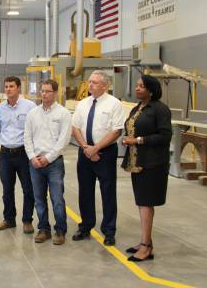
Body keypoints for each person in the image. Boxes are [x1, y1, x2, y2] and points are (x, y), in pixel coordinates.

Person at [72, 70, 126, 246]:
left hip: (105, 153)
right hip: (85, 152)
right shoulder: (83, 104)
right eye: (89, 82)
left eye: (94, 82)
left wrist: (96, 148)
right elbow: (76, 128)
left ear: (105, 85)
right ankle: (86, 226)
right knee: (85, 192)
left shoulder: (114, 104)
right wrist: (86, 148)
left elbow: (116, 130)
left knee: (108, 192)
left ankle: (109, 231)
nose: (90, 85)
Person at [121, 75, 172, 262]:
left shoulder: (160, 109)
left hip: (152, 164)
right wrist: (128, 139)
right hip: (137, 162)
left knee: (145, 204)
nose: (137, 88)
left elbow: (165, 136)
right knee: (142, 203)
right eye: (136, 85)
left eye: (141, 86)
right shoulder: (138, 108)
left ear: (151, 90)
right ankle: (146, 241)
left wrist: (138, 140)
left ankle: (146, 247)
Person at [24, 80, 72, 245]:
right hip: (35, 163)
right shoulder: (33, 113)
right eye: (42, 91)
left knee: (57, 198)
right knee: (39, 198)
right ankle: (44, 229)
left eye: (48, 91)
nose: (44, 94)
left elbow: (63, 141)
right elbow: (27, 137)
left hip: (54, 163)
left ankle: (60, 230)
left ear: (56, 93)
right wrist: (32, 157)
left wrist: (48, 158)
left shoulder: (63, 114)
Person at [0, 76, 36, 233]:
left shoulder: (30, 106)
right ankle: (9, 219)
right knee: (7, 189)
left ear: (19, 88)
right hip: (5, 154)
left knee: (28, 189)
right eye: (6, 86)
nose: (8, 89)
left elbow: (34, 129)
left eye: (12, 86)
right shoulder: (0, 109)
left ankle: (27, 220)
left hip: (24, 153)